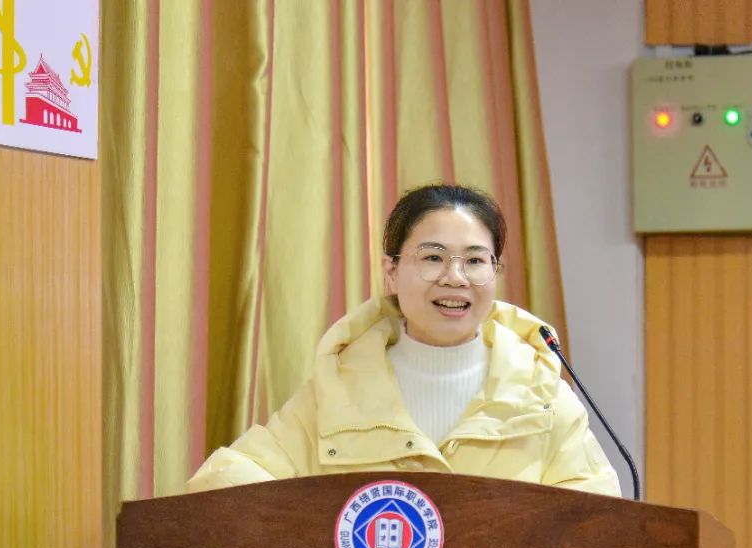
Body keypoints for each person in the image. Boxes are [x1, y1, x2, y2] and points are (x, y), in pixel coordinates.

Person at [187, 184, 620, 497]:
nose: (455, 277)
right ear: (391, 272)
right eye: (432, 257)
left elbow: (597, 530)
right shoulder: (340, 390)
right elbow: (222, 485)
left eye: (474, 261)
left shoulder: (542, 397)